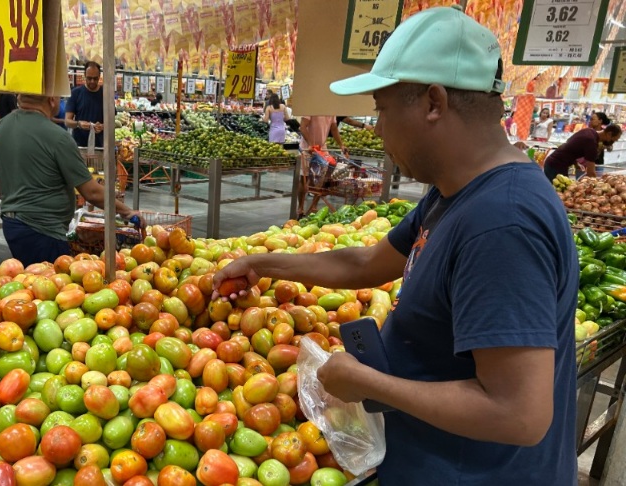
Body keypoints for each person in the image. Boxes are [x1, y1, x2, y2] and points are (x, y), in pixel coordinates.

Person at [213, 7, 579, 484]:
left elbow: (520, 415)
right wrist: (262, 263)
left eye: (382, 108)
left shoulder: (501, 222)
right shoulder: (454, 194)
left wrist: (367, 383)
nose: (377, 128)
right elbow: (366, 262)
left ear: (433, 102)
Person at [0, 94, 139, 266]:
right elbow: (91, 192)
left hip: (12, 225)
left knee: (30, 282)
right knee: (51, 285)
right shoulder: (58, 137)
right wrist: (126, 211)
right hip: (44, 231)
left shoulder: (1, 126)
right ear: (52, 100)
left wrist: (18, 200)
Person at [297, 116, 343, 217]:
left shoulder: (330, 109)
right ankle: (300, 207)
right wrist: (310, 144)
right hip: (307, 148)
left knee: (323, 179)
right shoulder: (312, 105)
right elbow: (303, 127)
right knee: (304, 177)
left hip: (322, 148)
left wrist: (341, 145)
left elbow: (334, 128)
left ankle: (314, 206)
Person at [543, 124, 621, 180]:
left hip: (555, 163)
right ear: (609, 134)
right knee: (558, 193)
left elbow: (569, 146)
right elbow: (591, 172)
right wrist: (598, 186)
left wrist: (576, 164)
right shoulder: (592, 142)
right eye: (614, 139)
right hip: (556, 166)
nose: (613, 142)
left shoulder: (588, 131)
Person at [65, 61, 106, 147]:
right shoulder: (76, 93)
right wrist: (78, 124)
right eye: (89, 78)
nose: (92, 81)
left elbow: (113, 121)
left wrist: (103, 126)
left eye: (95, 78)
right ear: (84, 76)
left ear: (99, 77)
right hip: (79, 145)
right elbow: (67, 121)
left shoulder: (106, 94)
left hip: (101, 145)